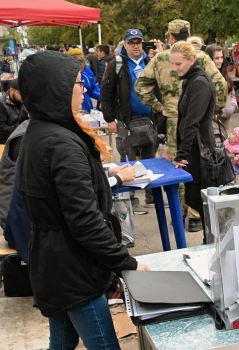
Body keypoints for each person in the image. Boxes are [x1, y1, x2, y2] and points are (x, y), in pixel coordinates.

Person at [17, 50, 149, 349]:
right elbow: (85, 221)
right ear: (57, 90)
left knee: (62, 342)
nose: (85, 88)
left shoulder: (41, 130)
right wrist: (125, 263)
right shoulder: (60, 143)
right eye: (78, 83)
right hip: (73, 267)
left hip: (55, 262)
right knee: (104, 345)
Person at [134, 19, 227, 232]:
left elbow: (140, 87)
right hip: (198, 121)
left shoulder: (160, 59)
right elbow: (220, 85)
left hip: (174, 121)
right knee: (195, 168)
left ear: (171, 36)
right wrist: (213, 110)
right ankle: (195, 217)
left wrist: (160, 107)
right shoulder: (201, 57)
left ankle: (180, 212)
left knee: (178, 168)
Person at [101, 28, 160, 215]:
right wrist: (109, 119)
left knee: (150, 159)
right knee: (128, 159)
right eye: (131, 43)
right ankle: (131, 198)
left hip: (148, 119)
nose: (135, 46)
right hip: (126, 121)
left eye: (138, 42)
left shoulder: (150, 62)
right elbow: (106, 92)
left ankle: (152, 196)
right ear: (125, 44)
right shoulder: (116, 64)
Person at [171, 41, 216, 242]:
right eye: (173, 64)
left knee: (199, 199)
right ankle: (211, 239)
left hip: (201, 151)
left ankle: (213, 240)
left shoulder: (199, 82)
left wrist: (181, 154)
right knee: (195, 198)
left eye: (178, 64)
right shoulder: (190, 79)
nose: (175, 68)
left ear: (191, 60)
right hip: (195, 149)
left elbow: (192, 122)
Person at [205, 43, 238, 132]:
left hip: (226, 116)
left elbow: (231, 93)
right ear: (209, 59)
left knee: (225, 142)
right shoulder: (204, 76)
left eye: (221, 57)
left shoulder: (224, 73)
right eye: (217, 58)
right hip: (211, 118)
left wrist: (233, 106)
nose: (220, 61)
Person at [67, 48, 100, 113]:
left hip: (87, 109)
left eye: (82, 61)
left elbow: (92, 88)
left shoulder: (88, 72)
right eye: (76, 62)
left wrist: (103, 97)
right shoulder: (65, 74)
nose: (80, 65)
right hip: (71, 110)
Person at [0, 78, 28, 144]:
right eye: (21, 93)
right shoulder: (2, 104)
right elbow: (1, 127)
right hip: (6, 140)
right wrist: (21, 131)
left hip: (20, 137)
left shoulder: (22, 100)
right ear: (12, 90)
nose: (24, 96)